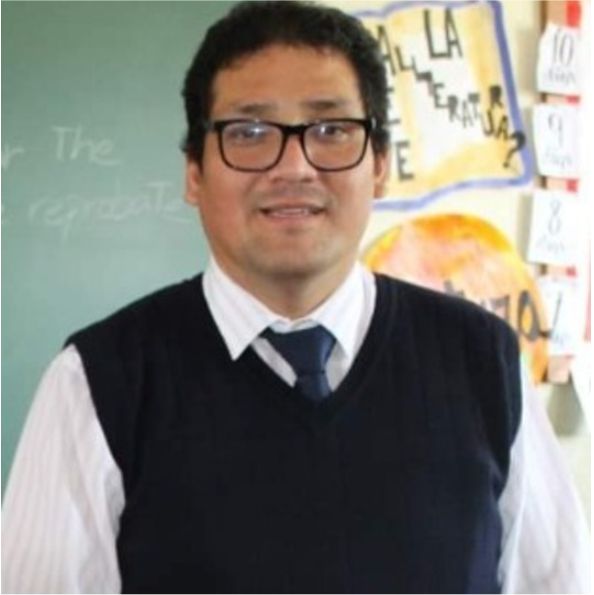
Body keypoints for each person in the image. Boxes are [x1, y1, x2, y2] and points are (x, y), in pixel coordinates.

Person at [2, 1, 590, 593]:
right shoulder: (97, 383)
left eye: (331, 131)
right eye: (249, 133)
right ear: (194, 173)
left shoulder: (483, 362)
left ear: (379, 165)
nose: (293, 166)